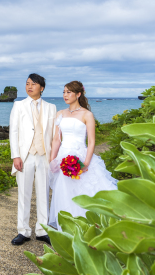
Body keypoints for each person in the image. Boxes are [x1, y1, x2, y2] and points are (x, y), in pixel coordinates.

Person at [48, 81, 117, 228]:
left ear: (78, 94)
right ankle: (68, 228)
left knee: (84, 191)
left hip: (80, 155)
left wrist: (86, 163)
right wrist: (52, 159)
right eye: (64, 92)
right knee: (64, 193)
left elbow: (91, 141)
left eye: (69, 92)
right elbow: (56, 140)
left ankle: (87, 226)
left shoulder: (87, 114)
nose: (65, 95)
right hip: (63, 157)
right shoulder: (60, 114)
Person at [9, 74, 57, 246]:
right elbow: (13, 131)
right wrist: (16, 155)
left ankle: (42, 230)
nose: (29, 87)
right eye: (27, 84)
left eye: (33, 84)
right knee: (24, 194)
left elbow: (54, 134)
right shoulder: (18, 105)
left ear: (42, 88)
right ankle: (23, 231)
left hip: (44, 155)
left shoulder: (51, 107)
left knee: (44, 193)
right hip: (25, 155)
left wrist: (54, 157)